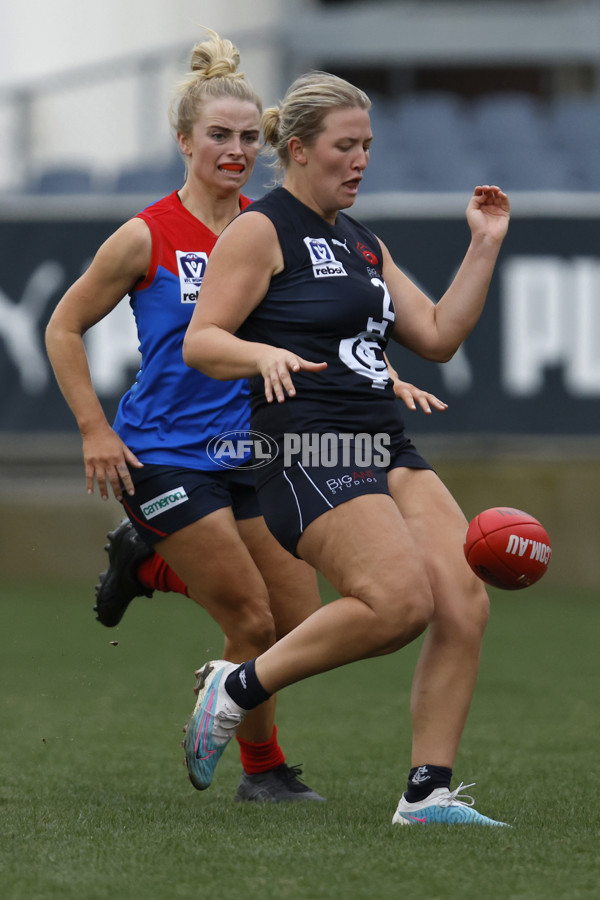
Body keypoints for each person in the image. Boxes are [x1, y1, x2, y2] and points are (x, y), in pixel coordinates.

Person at [44, 31, 444, 805]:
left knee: (296, 621)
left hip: (259, 449)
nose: (233, 150)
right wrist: (95, 429)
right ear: (184, 141)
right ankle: (263, 773)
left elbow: (322, 325)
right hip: (166, 454)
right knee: (253, 617)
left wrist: (383, 370)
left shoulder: (279, 232)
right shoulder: (146, 235)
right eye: (216, 137)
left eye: (245, 137)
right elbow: (62, 326)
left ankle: (151, 567)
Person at [181, 70, 512, 826]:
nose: (360, 159)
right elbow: (203, 340)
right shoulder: (261, 229)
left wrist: (484, 247)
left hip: (382, 439)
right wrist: (260, 357)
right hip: (309, 444)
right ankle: (234, 688)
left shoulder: (362, 241)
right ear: (297, 150)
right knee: (398, 604)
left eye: (368, 145)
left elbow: (437, 336)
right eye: (344, 146)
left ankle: (426, 796)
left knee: (463, 601)